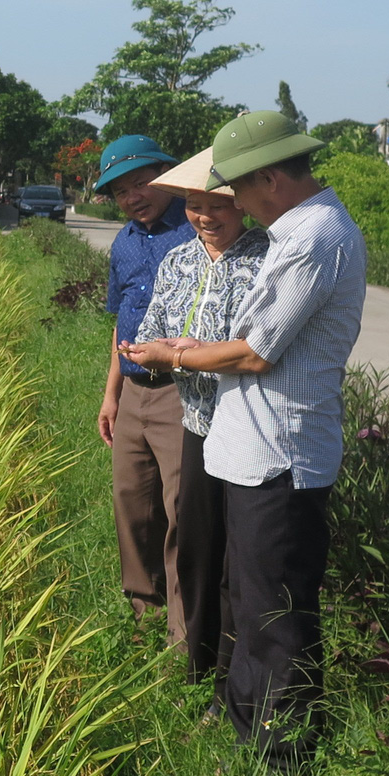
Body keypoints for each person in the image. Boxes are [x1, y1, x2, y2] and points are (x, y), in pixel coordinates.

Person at [123, 110, 365, 768]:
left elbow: (255, 352)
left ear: (268, 179)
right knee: (242, 595)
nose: (235, 206)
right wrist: (191, 351)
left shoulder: (313, 238)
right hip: (247, 450)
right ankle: (243, 725)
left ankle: (283, 757)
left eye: (238, 192)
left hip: (280, 456)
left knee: (275, 614)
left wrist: (178, 355)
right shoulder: (294, 232)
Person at [130, 149, 271, 686]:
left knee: (239, 559)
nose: (206, 215)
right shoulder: (178, 261)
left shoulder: (265, 260)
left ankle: (233, 676)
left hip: (246, 427)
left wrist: (184, 351)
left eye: (219, 204)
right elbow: (154, 327)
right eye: (194, 204)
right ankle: (198, 664)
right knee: (195, 546)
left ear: (244, 206)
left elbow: (257, 346)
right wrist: (148, 352)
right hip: (194, 423)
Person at [92, 134, 193, 643]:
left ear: (167, 176)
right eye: (121, 190)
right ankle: (142, 614)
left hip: (182, 390)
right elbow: (122, 324)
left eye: (142, 181)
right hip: (133, 392)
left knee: (181, 512)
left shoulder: (196, 230)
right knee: (132, 504)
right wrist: (111, 396)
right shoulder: (125, 242)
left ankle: (183, 634)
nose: (134, 196)